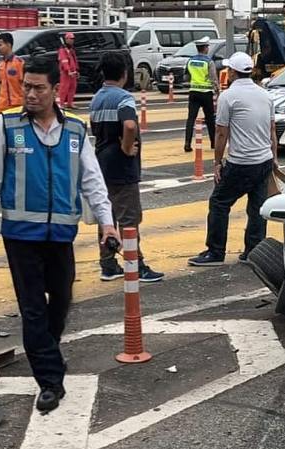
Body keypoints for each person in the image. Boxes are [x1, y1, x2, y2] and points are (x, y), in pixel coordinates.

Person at [0, 57, 119, 413]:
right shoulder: (5, 126)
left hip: (61, 233)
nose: (31, 94)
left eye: (39, 88)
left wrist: (107, 221)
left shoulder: (74, 129)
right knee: (33, 309)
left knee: (63, 299)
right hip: (20, 234)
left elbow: (91, 179)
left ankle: (47, 351)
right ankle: (50, 380)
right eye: (27, 86)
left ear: (56, 90)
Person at [188, 52, 276, 266]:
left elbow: (221, 133)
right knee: (257, 206)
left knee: (219, 202)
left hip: (241, 162)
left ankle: (215, 251)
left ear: (233, 73)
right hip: (263, 159)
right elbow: (271, 131)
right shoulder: (265, 95)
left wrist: (217, 163)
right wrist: (272, 160)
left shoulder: (229, 97)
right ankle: (253, 251)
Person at [89, 52, 165, 283]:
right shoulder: (123, 97)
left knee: (107, 217)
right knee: (129, 218)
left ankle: (108, 264)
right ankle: (136, 264)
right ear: (124, 73)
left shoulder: (97, 98)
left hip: (101, 163)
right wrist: (125, 147)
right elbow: (130, 125)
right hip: (123, 167)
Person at [184, 37, 219, 153]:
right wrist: (218, 90)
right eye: (207, 46)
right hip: (206, 94)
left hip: (193, 92)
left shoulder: (190, 61)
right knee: (210, 119)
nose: (208, 48)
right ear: (205, 48)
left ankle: (187, 143)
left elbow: (186, 76)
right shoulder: (209, 62)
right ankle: (213, 143)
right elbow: (213, 78)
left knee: (191, 119)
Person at [0, 32, 25, 116]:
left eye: (0, 45)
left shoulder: (19, 63)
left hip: (17, 104)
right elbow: (0, 85)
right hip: (3, 104)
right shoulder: (1, 64)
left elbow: (24, 84)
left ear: (8, 45)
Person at [58, 32, 79, 109]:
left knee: (72, 87)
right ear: (66, 39)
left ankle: (70, 103)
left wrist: (76, 69)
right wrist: (68, 70)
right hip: (66, 73)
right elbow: (64, 61)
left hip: (73, 72)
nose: (72, 40)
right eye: (71, 39)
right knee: (64, 88)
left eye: (73, 39)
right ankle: (61, 103)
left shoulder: (71, 49)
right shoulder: (62, 50)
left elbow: (74, 59)